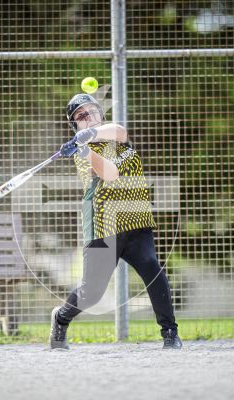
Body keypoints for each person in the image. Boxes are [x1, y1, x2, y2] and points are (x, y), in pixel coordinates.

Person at [49, 94, 182, 350]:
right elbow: (110, 174)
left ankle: (170, 334)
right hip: (103, 226)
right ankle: (61, 317)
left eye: (92, 112)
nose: (88, 117)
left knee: (153, 270)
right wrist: (84, 147)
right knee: (92, 293)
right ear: (74, 125)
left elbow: (119, 130)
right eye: (81, 116)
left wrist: (88, 135)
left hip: (136, 221)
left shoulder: (116, 136)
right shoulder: (81, 155)